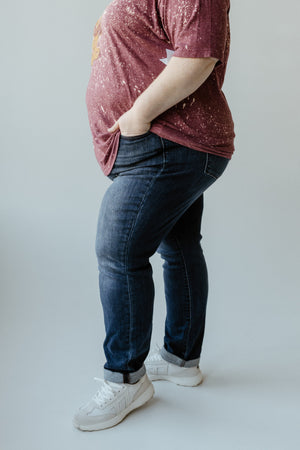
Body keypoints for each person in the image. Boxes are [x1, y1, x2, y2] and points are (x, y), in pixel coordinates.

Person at [73, 0, 235, 431]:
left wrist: (138, 115)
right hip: (159, 145)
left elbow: (199, 53)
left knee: (119, 252)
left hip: (171, 142)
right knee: (179, 246)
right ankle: (181, 358)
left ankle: (126, 376)